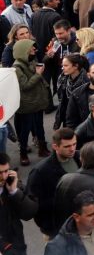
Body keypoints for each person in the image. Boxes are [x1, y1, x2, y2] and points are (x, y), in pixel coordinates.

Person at [27, 127, 79, 239]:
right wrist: (49, 229)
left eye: (74, 144)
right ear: (55, 146)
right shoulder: (40, 172)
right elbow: (34, 205)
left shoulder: (80, 158)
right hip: (57, 232)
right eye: (67, 146)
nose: (72, 149)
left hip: (79, 224)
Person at [0, 151, 37, 255]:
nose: (4, 177)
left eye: (6, 171)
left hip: (17, 251)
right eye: (0, 173)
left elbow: (29, 213)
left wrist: (15, 192)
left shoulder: (12, 185)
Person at [13, 38, 48, 166]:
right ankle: (23, 153)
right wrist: (38, 74)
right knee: (25, 130)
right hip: (27, 104)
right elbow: (25, 86)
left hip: (37, 101)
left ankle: (43, 148)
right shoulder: (17, 67)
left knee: (39, 126)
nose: (34, 49)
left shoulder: (31, 60)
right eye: (31, 48)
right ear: (23, 51)